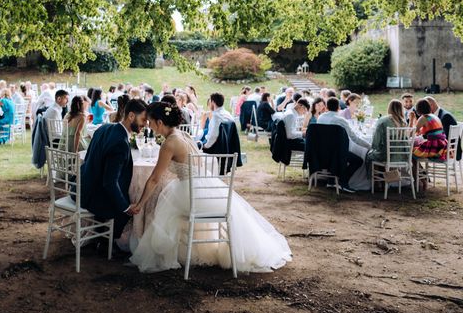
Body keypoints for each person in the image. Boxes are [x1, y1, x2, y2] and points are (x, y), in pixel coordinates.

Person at [129, 102, 292, 273]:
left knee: (165, 211)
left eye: (150, 121)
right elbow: (197, 162)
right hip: (206, 187)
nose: (148, 125)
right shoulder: (183, 134)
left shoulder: (169, 143)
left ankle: (170, 254)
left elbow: (154, 179)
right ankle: (188, 251)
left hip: (192, 193)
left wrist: (139, 204)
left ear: (159, 122)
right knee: (168, 207)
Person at [78, 99, 148, 242]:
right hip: (94, 197)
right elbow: (110, 183)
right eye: (143, 119)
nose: (145, 124)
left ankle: (101, 233)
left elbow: (89, 160)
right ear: (131, 116)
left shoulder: (103, 128)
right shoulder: (120, 143)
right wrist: (126, 207)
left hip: (82, 187)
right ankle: (107, 242)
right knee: (129, 208)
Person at [317, 97, 370, 192]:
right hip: (336, 153)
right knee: (358, 161)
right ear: (338, 107)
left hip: (321, 152)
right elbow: (354, 138)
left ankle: (331, 181)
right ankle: (343, 182)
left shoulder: (320, 117)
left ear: (326, 107)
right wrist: (369, 146)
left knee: (341, 152)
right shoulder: (341, 120)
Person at [365, 99, 407, 176]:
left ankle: (378, 183)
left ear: (389, 108)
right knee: (380, 153)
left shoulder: (383, 120)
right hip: (402, 155)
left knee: (369, 155)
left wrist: (374, 147)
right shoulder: (403, 122)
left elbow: (376, 142)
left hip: (387, 155)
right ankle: (387, 180)